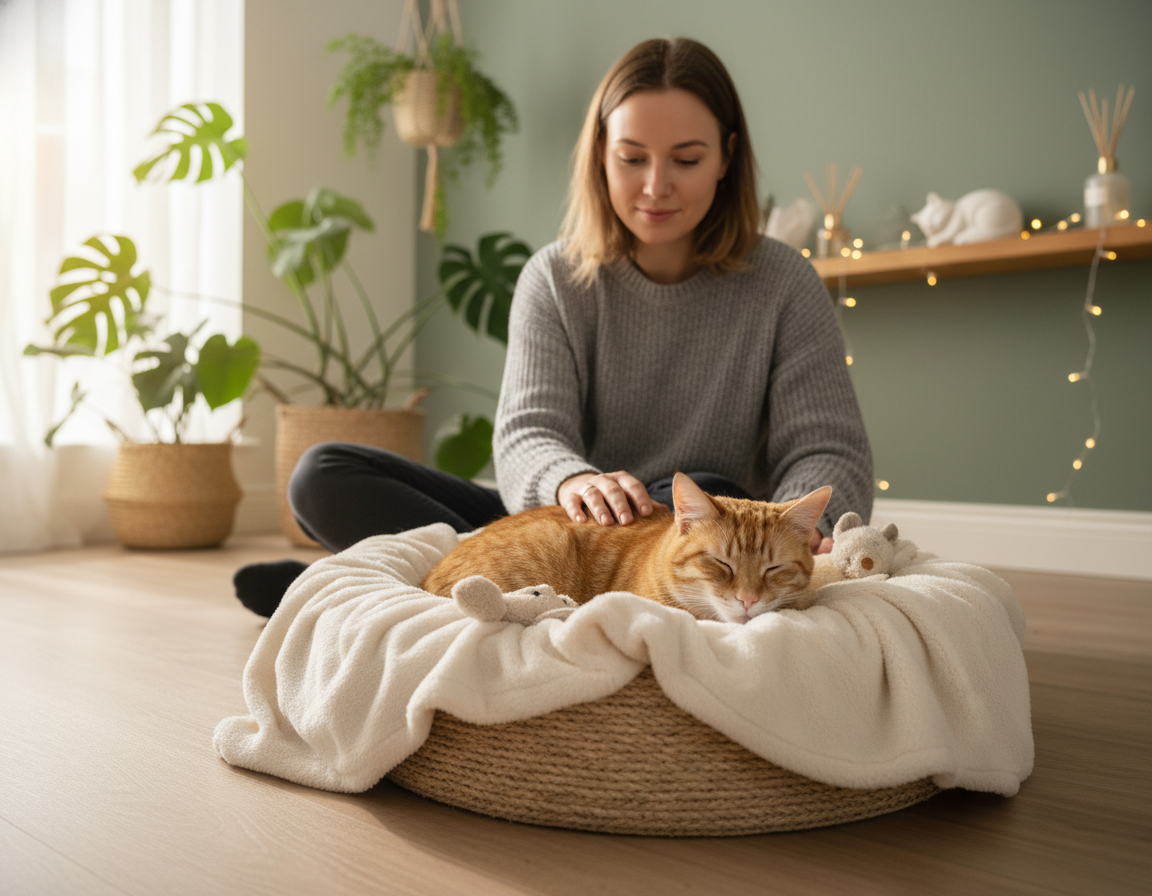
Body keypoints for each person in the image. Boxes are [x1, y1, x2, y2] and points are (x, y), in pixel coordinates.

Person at [233, 36, 872, 617]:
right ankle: (448, 582)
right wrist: (573, 481)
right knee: (322, 472)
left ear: (727, 158)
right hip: (568, 530)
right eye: (631, 157)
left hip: (705, 536)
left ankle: (368, 589)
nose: (656, 186)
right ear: (600, 154)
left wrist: (792, 535)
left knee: (701, 485)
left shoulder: (784, 281)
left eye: (685, 158)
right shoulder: (555, 278)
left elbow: (826, 449)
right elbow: (528, 432)